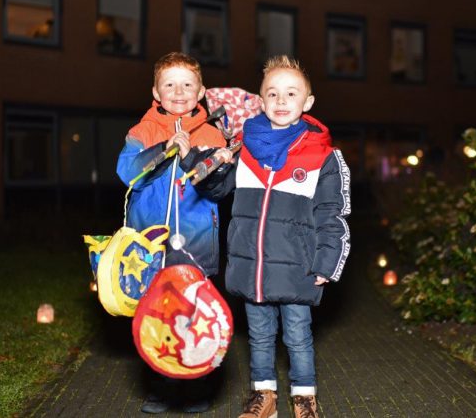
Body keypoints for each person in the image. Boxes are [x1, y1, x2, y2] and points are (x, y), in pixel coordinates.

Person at [200, 55, 352, 418]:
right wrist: (216, 166)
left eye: (291, 93)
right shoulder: (243, 147)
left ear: (307, 102)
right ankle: (263, 397)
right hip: (252, 264)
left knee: (297, 336)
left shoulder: (322, 155)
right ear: (261, 100)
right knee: (259, 336)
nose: (281, 101)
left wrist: (328, 261)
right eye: (273, 93)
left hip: (296, 267)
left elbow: (333, 213)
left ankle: (304, 400)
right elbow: (216, 191)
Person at [116, 51, 226, 414]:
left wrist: (207, 159)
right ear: (156, 92)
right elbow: (127, 172)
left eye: (187, 85)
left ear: (201, 91)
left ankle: (196, 388)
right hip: (151, 242)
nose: (179, 92)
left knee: (194, 315)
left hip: (196, 241)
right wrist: (165, 150)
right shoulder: (142, 131)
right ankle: (160, 388)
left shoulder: (212, 133)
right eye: (170, 85)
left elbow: (220, 187)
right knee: (157, 315)